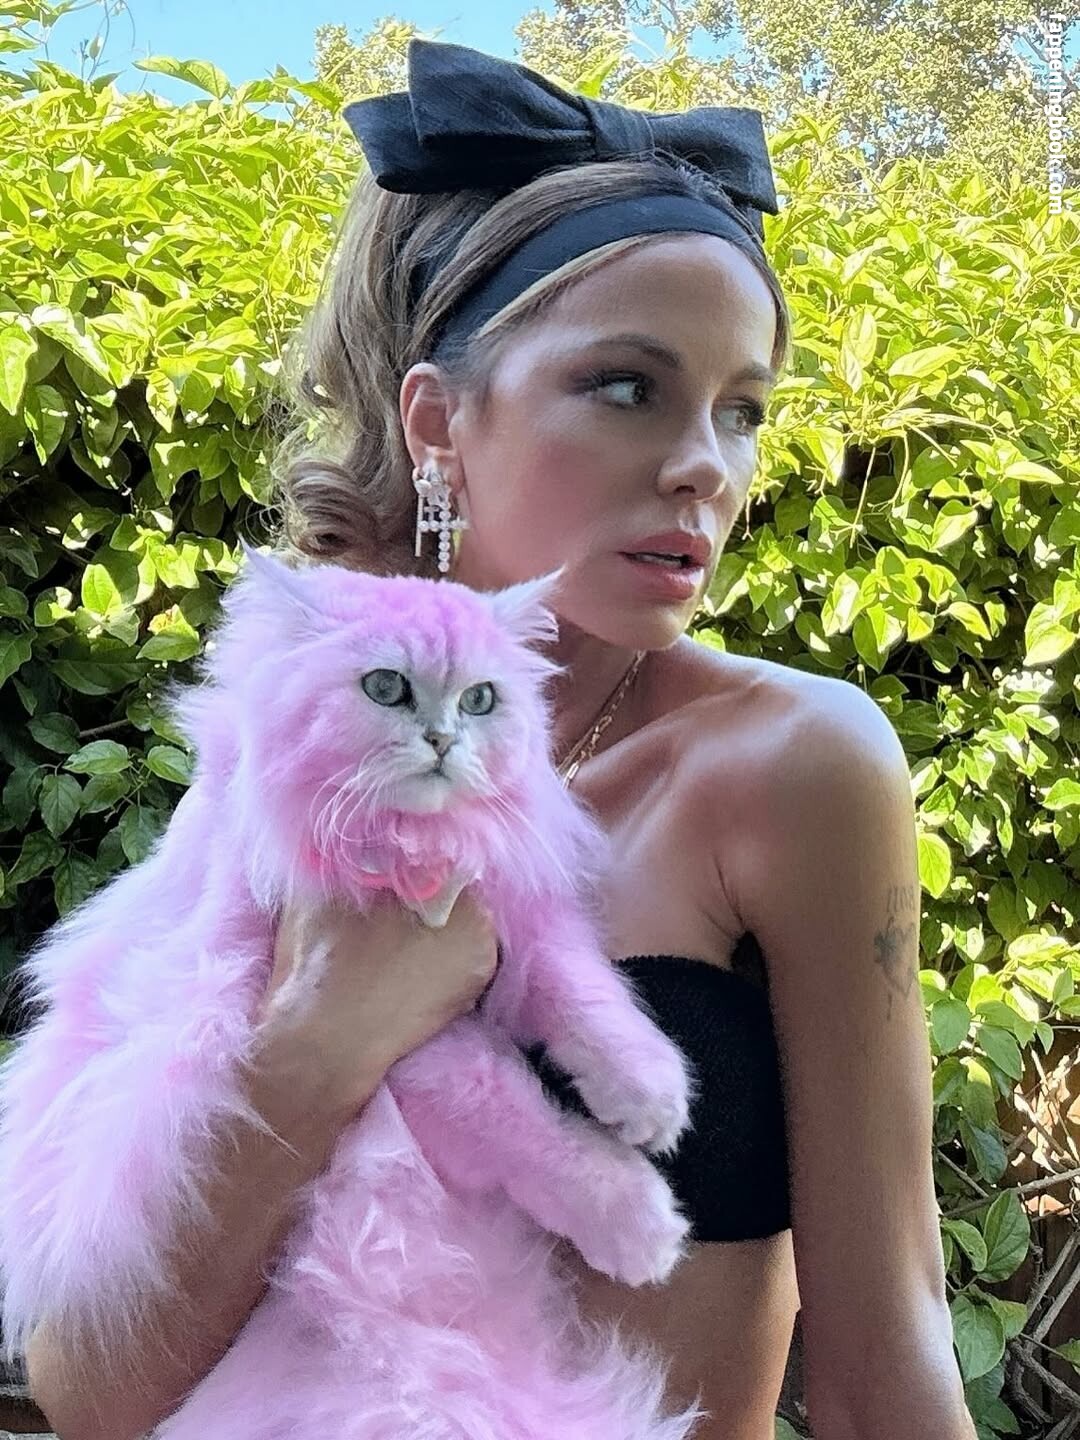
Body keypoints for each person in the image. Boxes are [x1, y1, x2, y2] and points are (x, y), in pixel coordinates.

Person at [24, 37, 976, 1440]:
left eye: (743, 411)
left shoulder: (791, 767)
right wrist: (321, 1041)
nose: (705, 465)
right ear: (438, 423)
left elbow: (884, 1355)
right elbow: (88, 1385)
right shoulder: (286, 782)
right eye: (628, 386)